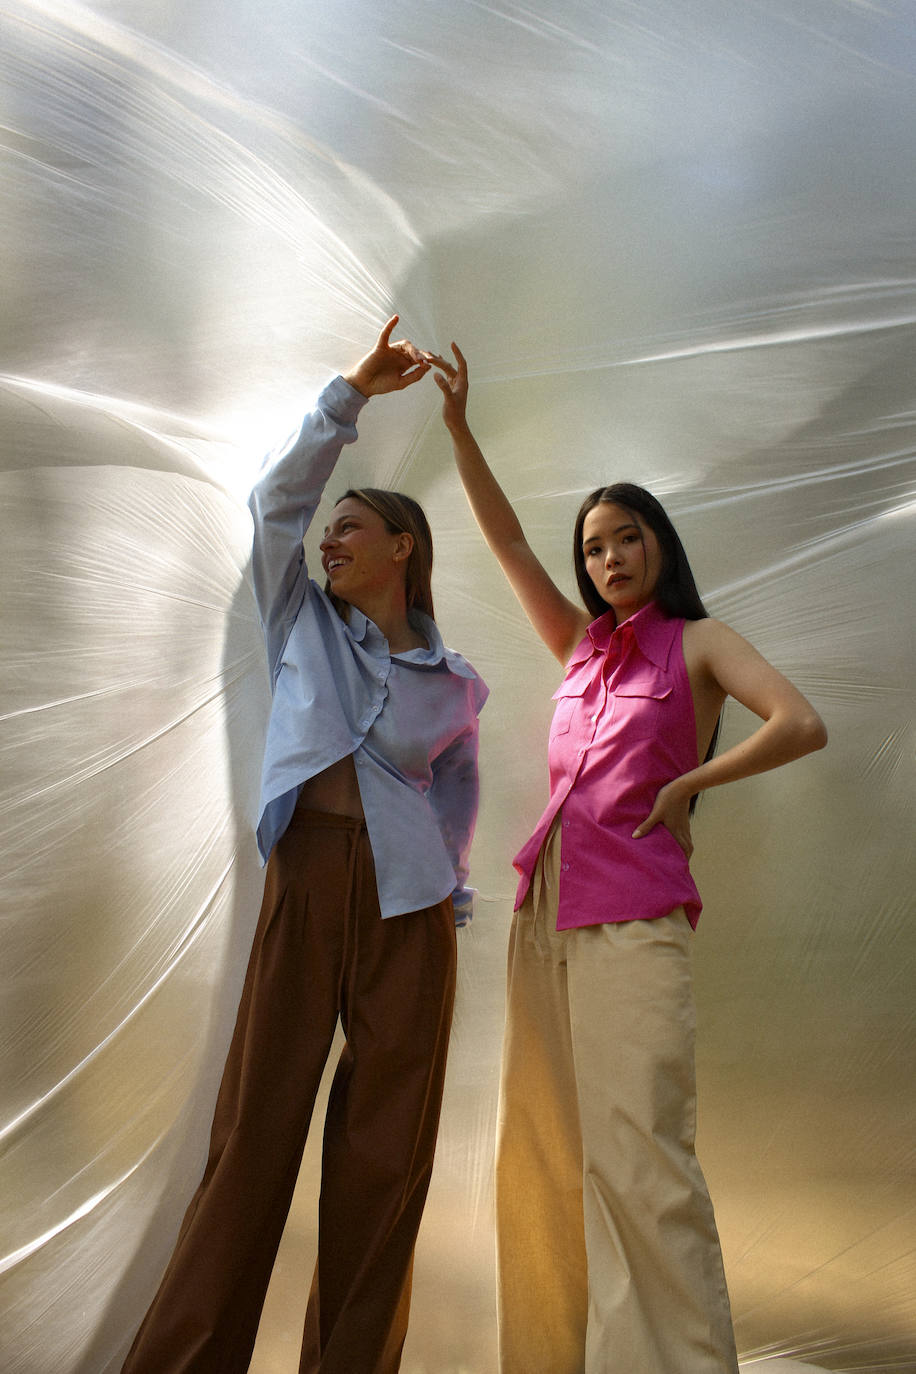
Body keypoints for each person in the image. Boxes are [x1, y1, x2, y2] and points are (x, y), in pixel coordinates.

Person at [430, 342, 827, 1374]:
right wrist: (461, 433)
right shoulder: (578, 648)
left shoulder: (696, 642)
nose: (609, 558)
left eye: (627, 539)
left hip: (634, 920)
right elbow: (512, 540)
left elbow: (799, 721)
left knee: (641, 1161)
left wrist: (690, 782)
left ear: (659, 546)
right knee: (546, 1159)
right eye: (596, 546)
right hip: (541, 918)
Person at [122, 318, 488, 1374]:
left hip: (412, 911)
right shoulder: (302, 624)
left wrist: (448, 893)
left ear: (403, 546)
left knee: (386, 1160)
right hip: (308, 880)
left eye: (355, 526)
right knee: (253, 1140)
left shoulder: (456, 681)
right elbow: (272, 507)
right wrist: (349, 400)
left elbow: (457, 791)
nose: (332, 539)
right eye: (332, 528)